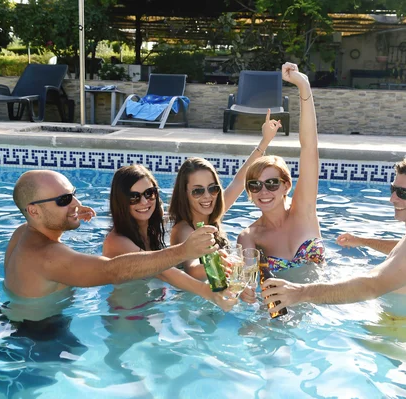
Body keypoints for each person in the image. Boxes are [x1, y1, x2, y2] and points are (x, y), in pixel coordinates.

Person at [261, 156, 406, 318]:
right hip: (402, 326)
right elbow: (404, 250)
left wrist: (300, 292)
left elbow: (371, 286)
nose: (393, 199)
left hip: (402, 338)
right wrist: (364, 241)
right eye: (393, 189)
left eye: (405, 193)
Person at [5, 169, 218, 301]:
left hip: (12, 323)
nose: (76, 204)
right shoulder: (49, 256)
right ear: (33, 210)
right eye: (63, 200)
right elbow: (112, 270)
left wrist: (69, 212)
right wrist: (183, 251)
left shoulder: (22, 232)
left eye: (73, 195)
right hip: (38, 341)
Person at [102, 164, 237, 311]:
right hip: (126, 318)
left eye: (149, 193)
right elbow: (163, 271)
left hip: (154, 310)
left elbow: (220, 202)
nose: (144, 202)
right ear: (120, 201)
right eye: (134, 197)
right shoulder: (117, 241)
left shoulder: (151, 227)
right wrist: (206, 292)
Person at [237, 62, 325, 288]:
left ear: (286, 186)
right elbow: (248, 284)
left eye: (272, 183)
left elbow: (309, 148)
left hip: (321, 306)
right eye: (255, 185)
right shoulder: (250, 236)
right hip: (277, 312)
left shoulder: (303, 211)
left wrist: (303, 86)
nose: (263, 191)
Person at [169, 111, 280, 280]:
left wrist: (265, 141)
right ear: (185, 194)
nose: (207, 196)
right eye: (198, 191)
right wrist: (223, 262)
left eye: (212, 188)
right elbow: (192, 270)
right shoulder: (184, 229)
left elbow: (239, 181)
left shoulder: (213, 215)